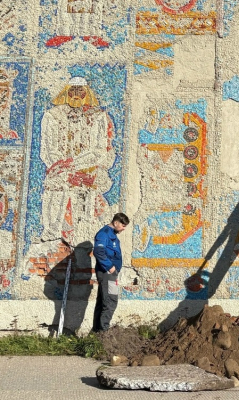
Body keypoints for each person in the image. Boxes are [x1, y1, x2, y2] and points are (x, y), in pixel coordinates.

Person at [39, 76, 116, 245]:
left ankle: (82, 242)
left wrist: (74, 165)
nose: (76, 94)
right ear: (66, 92)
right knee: (55, 192)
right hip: (59, 171)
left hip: (85, 171)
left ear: (86, 93)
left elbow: (98, 151)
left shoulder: (97, 116)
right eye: (72, 90)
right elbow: (48, 150)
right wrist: (64, 169)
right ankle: (51, 238)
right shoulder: (52, 116)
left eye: (80, 91)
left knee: (83, 210)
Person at [92, 212, 128, 332]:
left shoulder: (111, 234)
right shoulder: (104, 233)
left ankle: (97, 333)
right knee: (111, 301)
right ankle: (104, 333)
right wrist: (110, 267)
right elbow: (98, 251)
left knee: (103, 301)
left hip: (109, 273)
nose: (123, 229)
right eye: (123, 226)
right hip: (107, 273)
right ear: (116, 222)